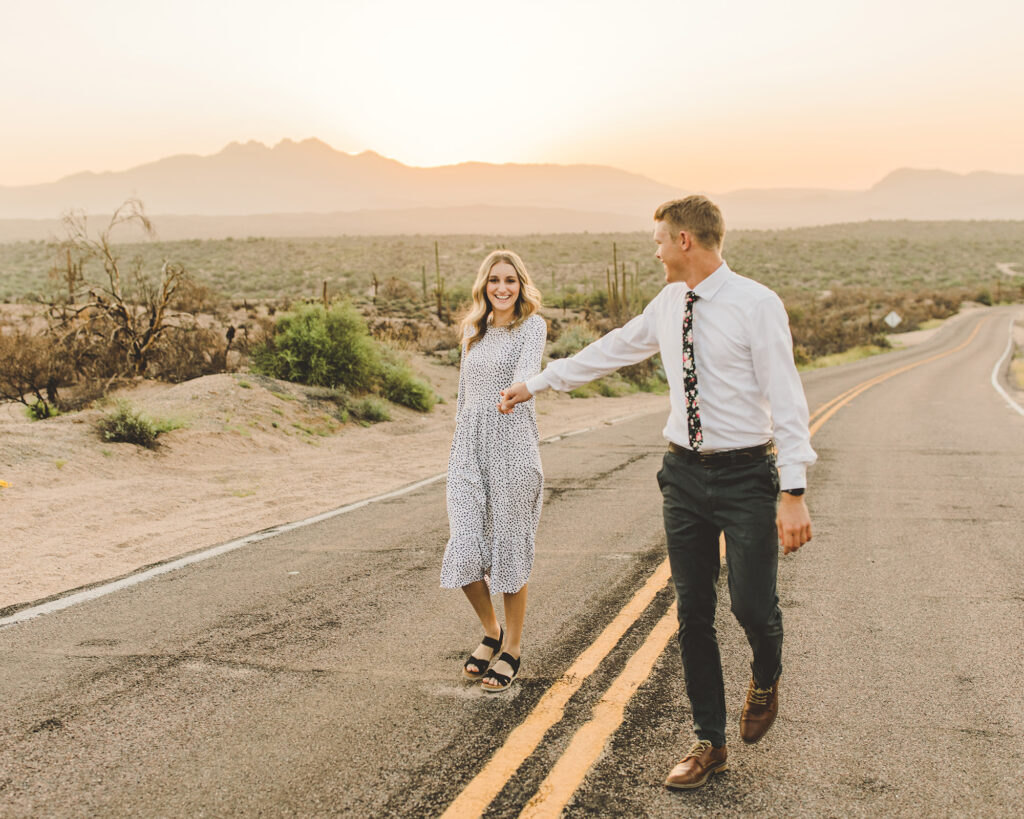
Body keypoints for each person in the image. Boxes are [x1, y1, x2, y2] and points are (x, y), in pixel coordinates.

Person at [498, 196, 815, 786]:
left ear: (686, 241)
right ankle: (708, 741)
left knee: (750, 606)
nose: (656, 250)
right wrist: (537, 383)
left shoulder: (755, 304)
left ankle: (766, 675)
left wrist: (792, 489)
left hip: (748, 476)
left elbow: (788, 397)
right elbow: (614, 347)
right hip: (684, 476)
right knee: (692, 611)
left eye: (660, 241)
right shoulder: (670, 303)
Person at [441, 249, 547, 693]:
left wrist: (514, 392)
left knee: (508, 550)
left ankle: (513, 649)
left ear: (521, 285)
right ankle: (492, 630)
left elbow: (527, 371)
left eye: (511, 281)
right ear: (484, 285)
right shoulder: (471, 330)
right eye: (494, 281)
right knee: (464, 549)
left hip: (514, 447)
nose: (502, 288)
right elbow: (463, 396)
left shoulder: (532, 327)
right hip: (469, 449)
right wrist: (458, 448)